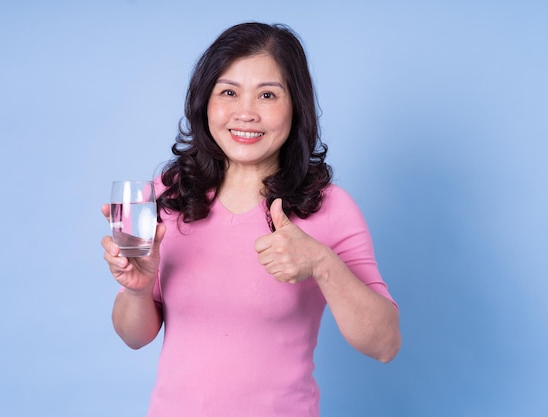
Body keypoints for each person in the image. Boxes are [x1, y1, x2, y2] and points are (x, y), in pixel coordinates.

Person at [101, 22, 401, 417]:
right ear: (204, 101)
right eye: (228, 92)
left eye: (267, 95)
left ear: (296, 106)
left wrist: (322, 264)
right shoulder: (164, 192)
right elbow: (133, 337)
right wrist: (137, 290)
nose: (245, 113)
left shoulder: (328, 206)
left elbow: (385, 344)